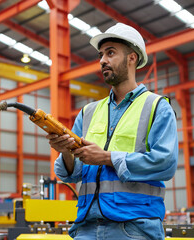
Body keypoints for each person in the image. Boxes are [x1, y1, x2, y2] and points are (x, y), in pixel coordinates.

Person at [46, 23, 178, 240]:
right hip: (85, 227)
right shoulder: (88, 112)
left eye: (110, 53)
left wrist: (107, 158)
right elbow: (73, 173)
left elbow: (165, 163)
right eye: (101, 54)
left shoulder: (157, 106)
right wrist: (66, 151)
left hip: (134, 227)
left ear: (132, 58)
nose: (102, 61)